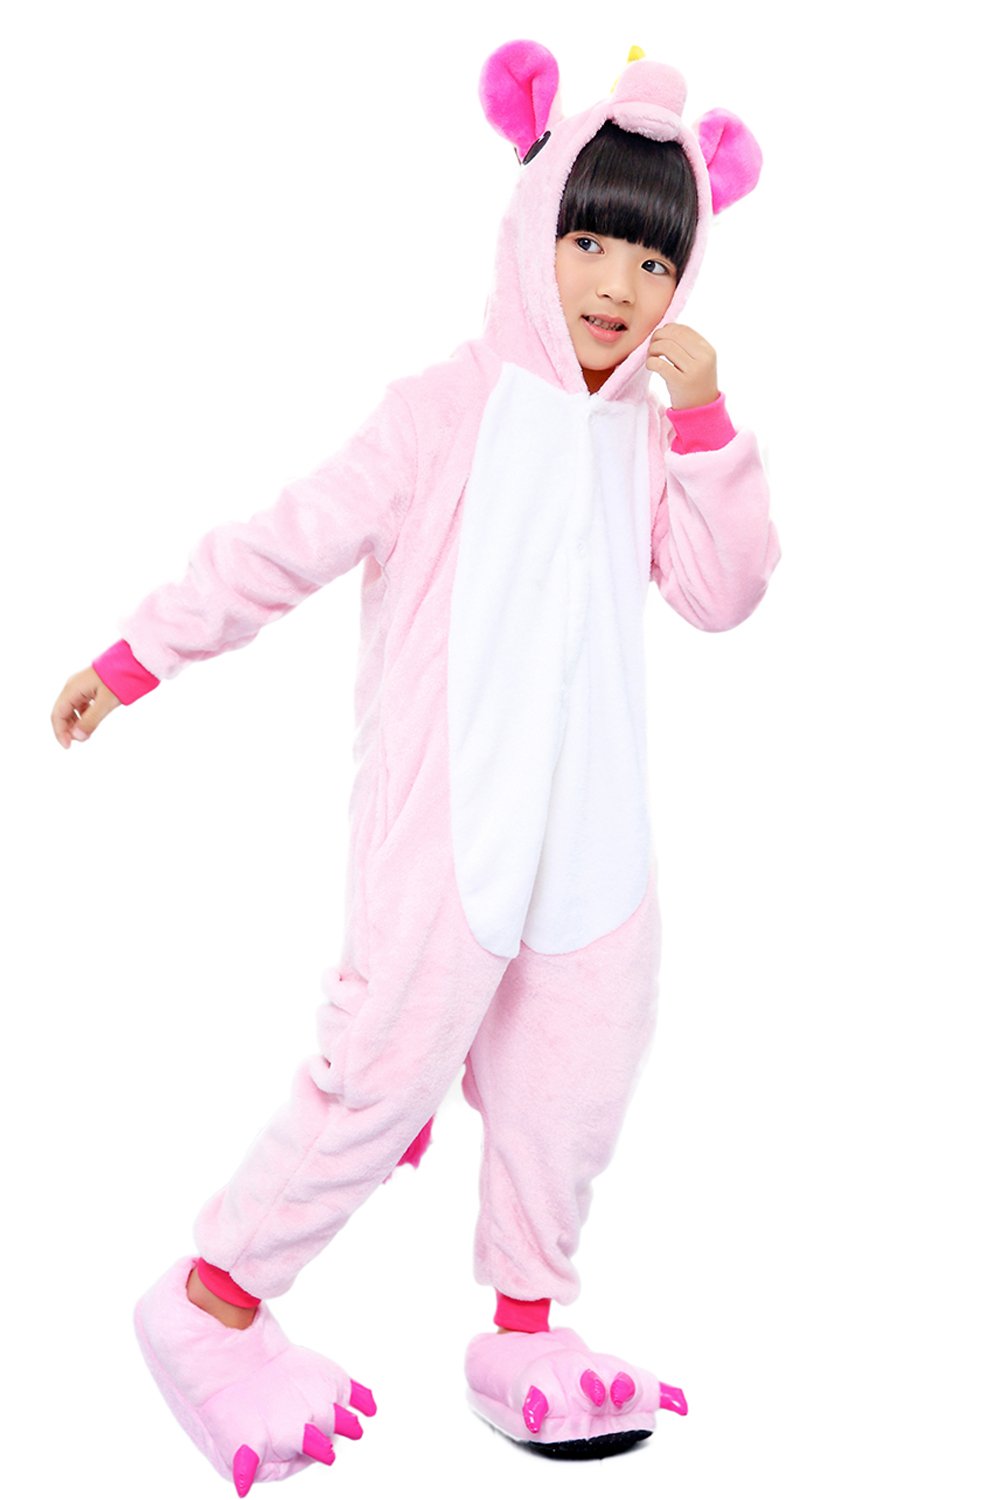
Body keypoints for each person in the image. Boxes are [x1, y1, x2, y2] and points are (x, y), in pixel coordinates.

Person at [50, 39, 780, 1492]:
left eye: (654, 260)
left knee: (573, 1095)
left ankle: (525, 1338)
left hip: (593, 849)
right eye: (589, 241)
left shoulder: (648, 439)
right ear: (534, 230)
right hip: (446, 833)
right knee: (379, 1080)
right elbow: (288, 539)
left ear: (685, 280)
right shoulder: (445, 413)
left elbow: (724, 590)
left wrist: (705, 424)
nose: (616, 287)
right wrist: (139, 655)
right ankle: (210, 1307)